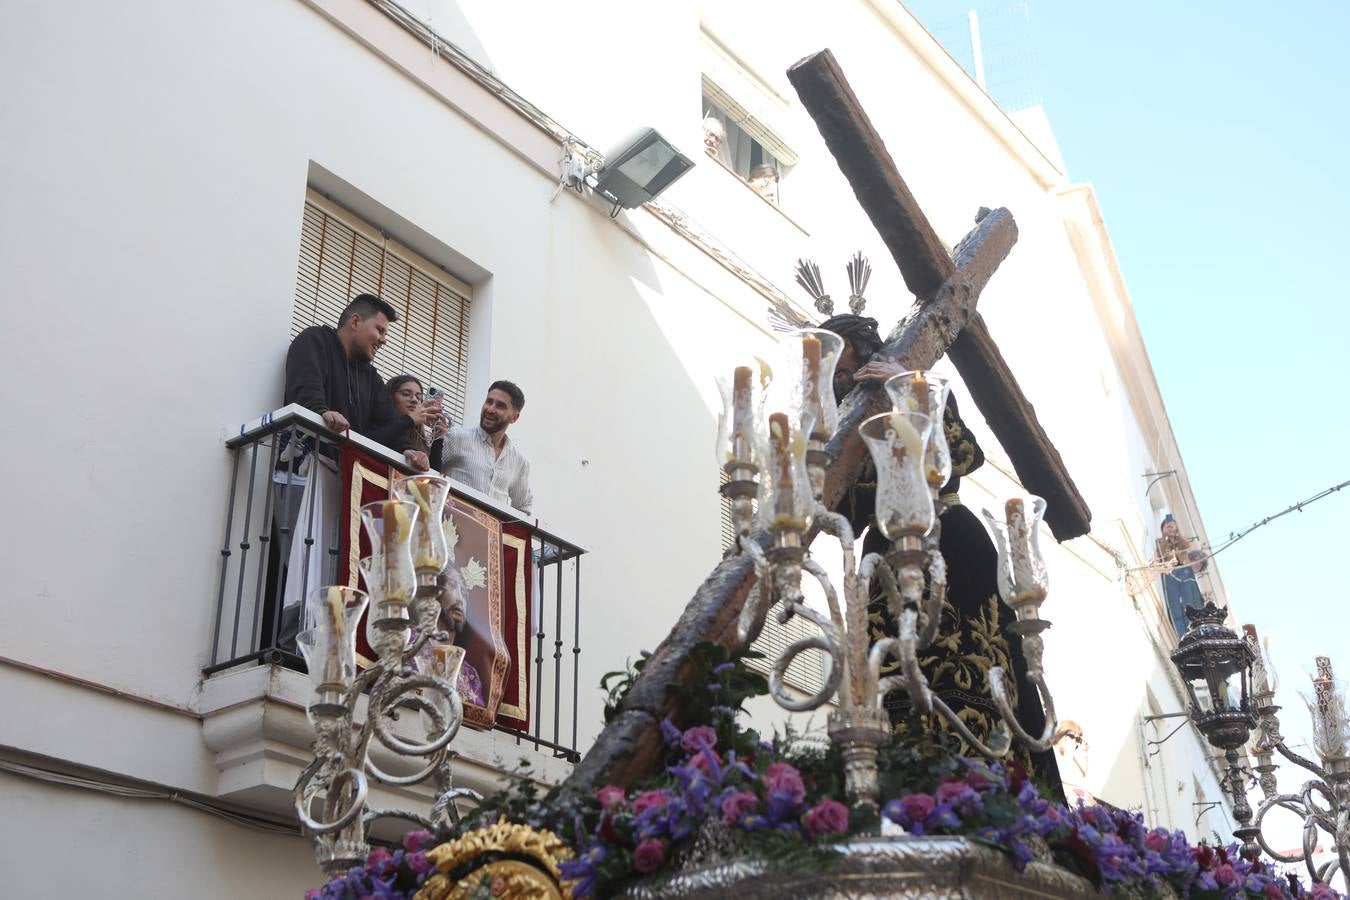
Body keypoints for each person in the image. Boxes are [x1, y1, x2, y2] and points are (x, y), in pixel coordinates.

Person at [819, 313, 1062, 797]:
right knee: (888, 680)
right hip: (883, 559)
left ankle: (986, 784)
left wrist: (909, 392)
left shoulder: (909, 390)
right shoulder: (841, 431)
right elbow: (840, 507)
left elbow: (964, 456)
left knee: (980, 669)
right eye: (832, 374)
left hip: (952, 542)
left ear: (868, 356)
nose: (841, 379)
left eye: (845, 366)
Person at [285, 292, 442, 471]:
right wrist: (322, 412)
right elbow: (305, 391)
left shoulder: (372, 378)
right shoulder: (315, 340)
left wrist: (410, 450)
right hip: (301, 468)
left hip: (347, 479)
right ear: (355, 322)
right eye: (380, 330)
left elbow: (388, 424)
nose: (384, 340)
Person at [440, 381, 533, 514]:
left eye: (500, 406)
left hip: (490, 534)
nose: (490, 409)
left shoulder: (519, 462)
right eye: (489, 402)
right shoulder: (456, 436)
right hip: (450, 528)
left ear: (514, 417)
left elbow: (523, 507)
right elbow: (427, 472)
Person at [387, 375, 450, 472]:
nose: (414, 400)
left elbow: (432, 476)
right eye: (406, 394)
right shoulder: (383, 427)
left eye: (419, 397)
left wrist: (438, 439)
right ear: (390, 396)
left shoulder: (420, 441)